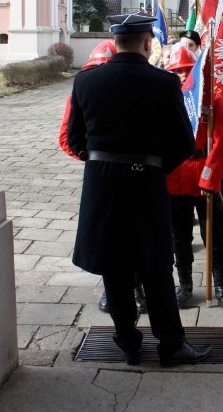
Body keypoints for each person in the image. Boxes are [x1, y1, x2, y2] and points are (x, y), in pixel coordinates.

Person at [66, 13, 212, 367]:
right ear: (148, 43)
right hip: (147, 183)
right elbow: (182, 143)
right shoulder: (163, 83)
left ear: (115, 42)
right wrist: (155, 167)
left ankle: (128, 342)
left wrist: (104, 163)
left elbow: (74, 139)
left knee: (113, 265)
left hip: (103, 184)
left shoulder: (85, 82)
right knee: (156, 265)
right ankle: (170, 344)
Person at [58, 40, 149, 314]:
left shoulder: (135, 91)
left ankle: (136, 286)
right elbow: (67, 137)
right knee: (107, 238)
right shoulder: (82, 91)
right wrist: (94, 157)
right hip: (103, 177)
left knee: (134, 237)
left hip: (136, 175)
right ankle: (113, 290)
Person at [164, 44, 223, 309]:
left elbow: (221, 143)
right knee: (179, 238)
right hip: (176, 177)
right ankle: (185, 286)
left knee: (213, 237)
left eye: (186, 70)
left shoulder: (212, 100)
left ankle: (221, 286)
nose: (182, 75)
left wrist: (209, 178)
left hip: (204, 176)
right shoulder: (167, 100)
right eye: (177, 71)